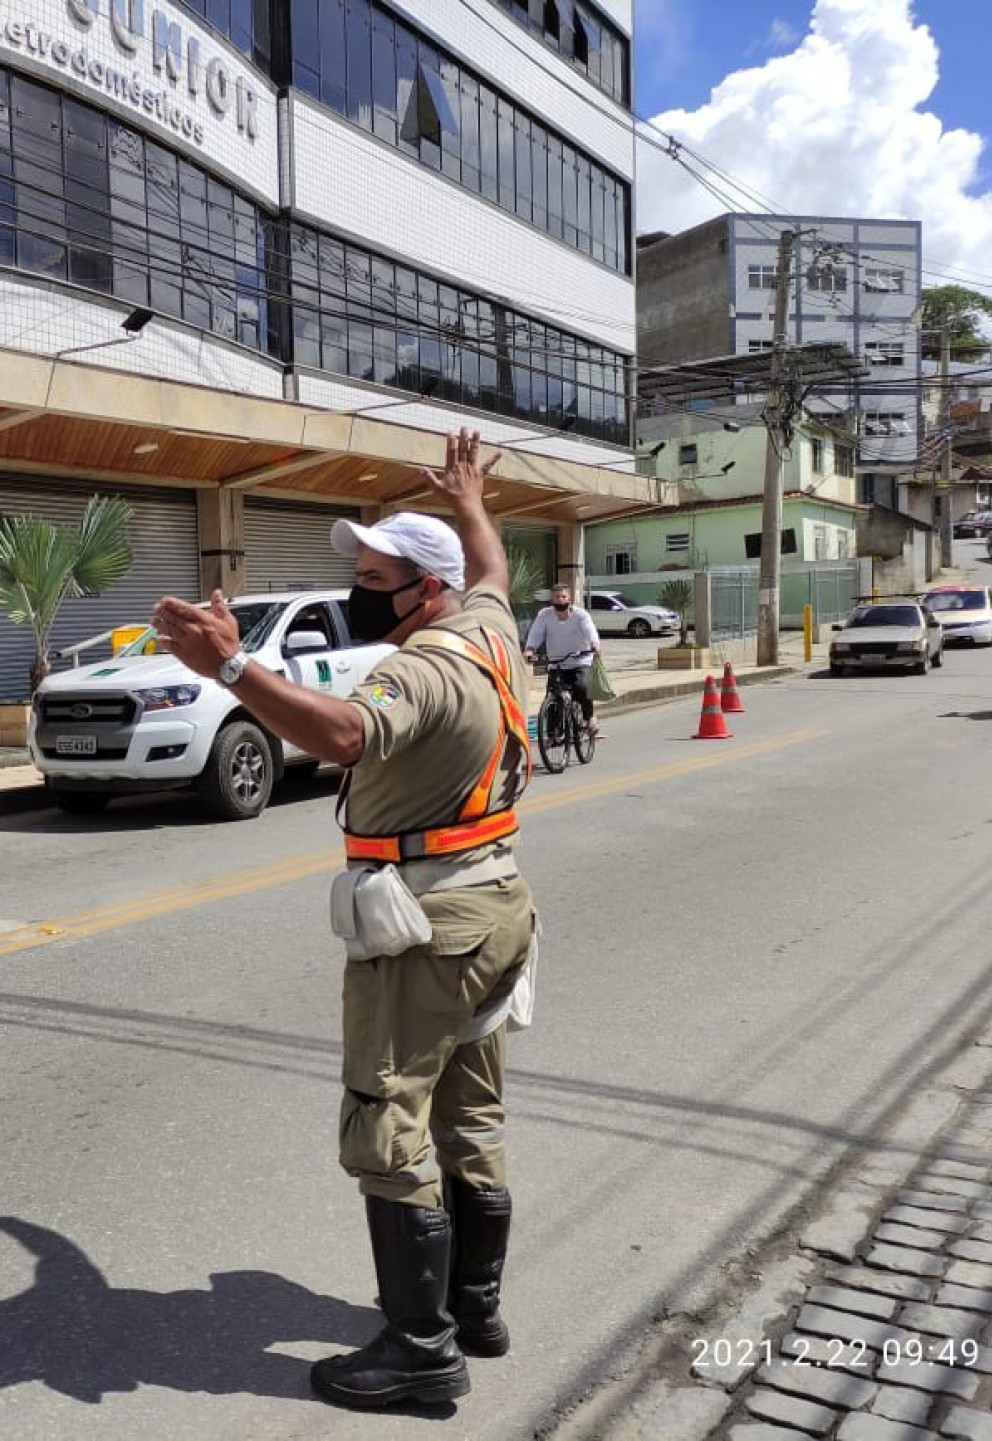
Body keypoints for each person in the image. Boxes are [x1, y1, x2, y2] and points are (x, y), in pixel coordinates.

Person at [152, 430, 539, 1411]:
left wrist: (230, 664)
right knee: (473, 1111)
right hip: (497, 901)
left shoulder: (417, 673)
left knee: (388, 1122)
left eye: (376, 576)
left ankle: (420, 1350)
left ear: (425, 589)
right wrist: (470, 500)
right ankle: (475, 1308)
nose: (362, 590)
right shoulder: (491, 627)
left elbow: (338, 734)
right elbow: (490, 561)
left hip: (426, 923)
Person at [524, 584, 602, 738]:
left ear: (570, 599)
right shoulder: (544, 615)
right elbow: (536, 633)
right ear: (552, 600)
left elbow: (590, 630)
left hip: (580, 660)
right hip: (557, 662)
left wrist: (595, 644)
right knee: (552, 696)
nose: (560, 601)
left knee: (581, 687)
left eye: (563, 597)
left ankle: (589, 718)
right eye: (556, 597)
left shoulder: (581, 615)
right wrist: (530, 649)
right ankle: (553, 734)